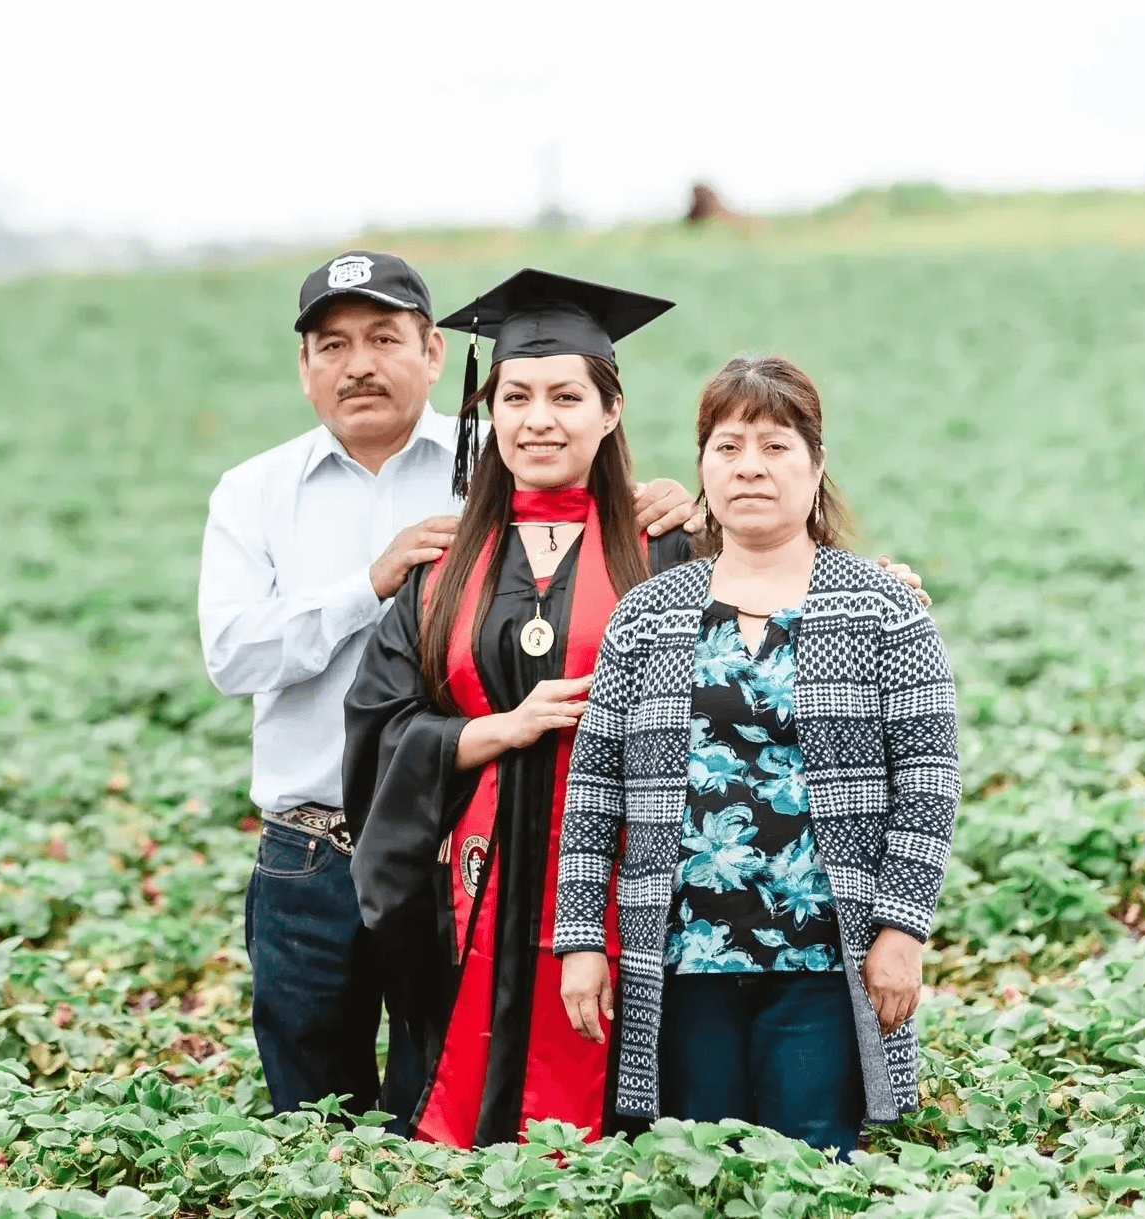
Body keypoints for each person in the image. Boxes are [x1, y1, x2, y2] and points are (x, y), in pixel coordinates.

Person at [198, 253, 700, 1123]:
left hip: (509, 870)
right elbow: (237, 656)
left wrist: (680, 508)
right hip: (324, 851)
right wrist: (373, 582)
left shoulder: (494, 471)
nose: (359, 363)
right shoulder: (259, 494)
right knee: (324, 1110)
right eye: (333, 343)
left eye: (384, 338)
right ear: (305, 364)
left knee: (494, 1083)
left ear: (435, 353)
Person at [554, 355, 960, 1160]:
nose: (749, 467)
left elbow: (928, 780)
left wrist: (901, 929)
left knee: (811, 1163)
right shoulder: (649, 614)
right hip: (681, 954)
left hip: (821, 951)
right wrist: (578, 938)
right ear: (702, 464)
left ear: (816, 465)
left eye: (775, 446)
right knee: (695, 1164)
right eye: (728, 445)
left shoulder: (881, 608)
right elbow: (595, 788)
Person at [342, 269, 704, 1148]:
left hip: (627, 891)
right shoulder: (442, 567)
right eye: (517, 396)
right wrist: (487, 731)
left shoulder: (669, 552)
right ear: (489, 410)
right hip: (469, 893)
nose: (539, 418)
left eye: (566, 396)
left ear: (610, 412)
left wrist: (883, 586)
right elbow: (376, 730)